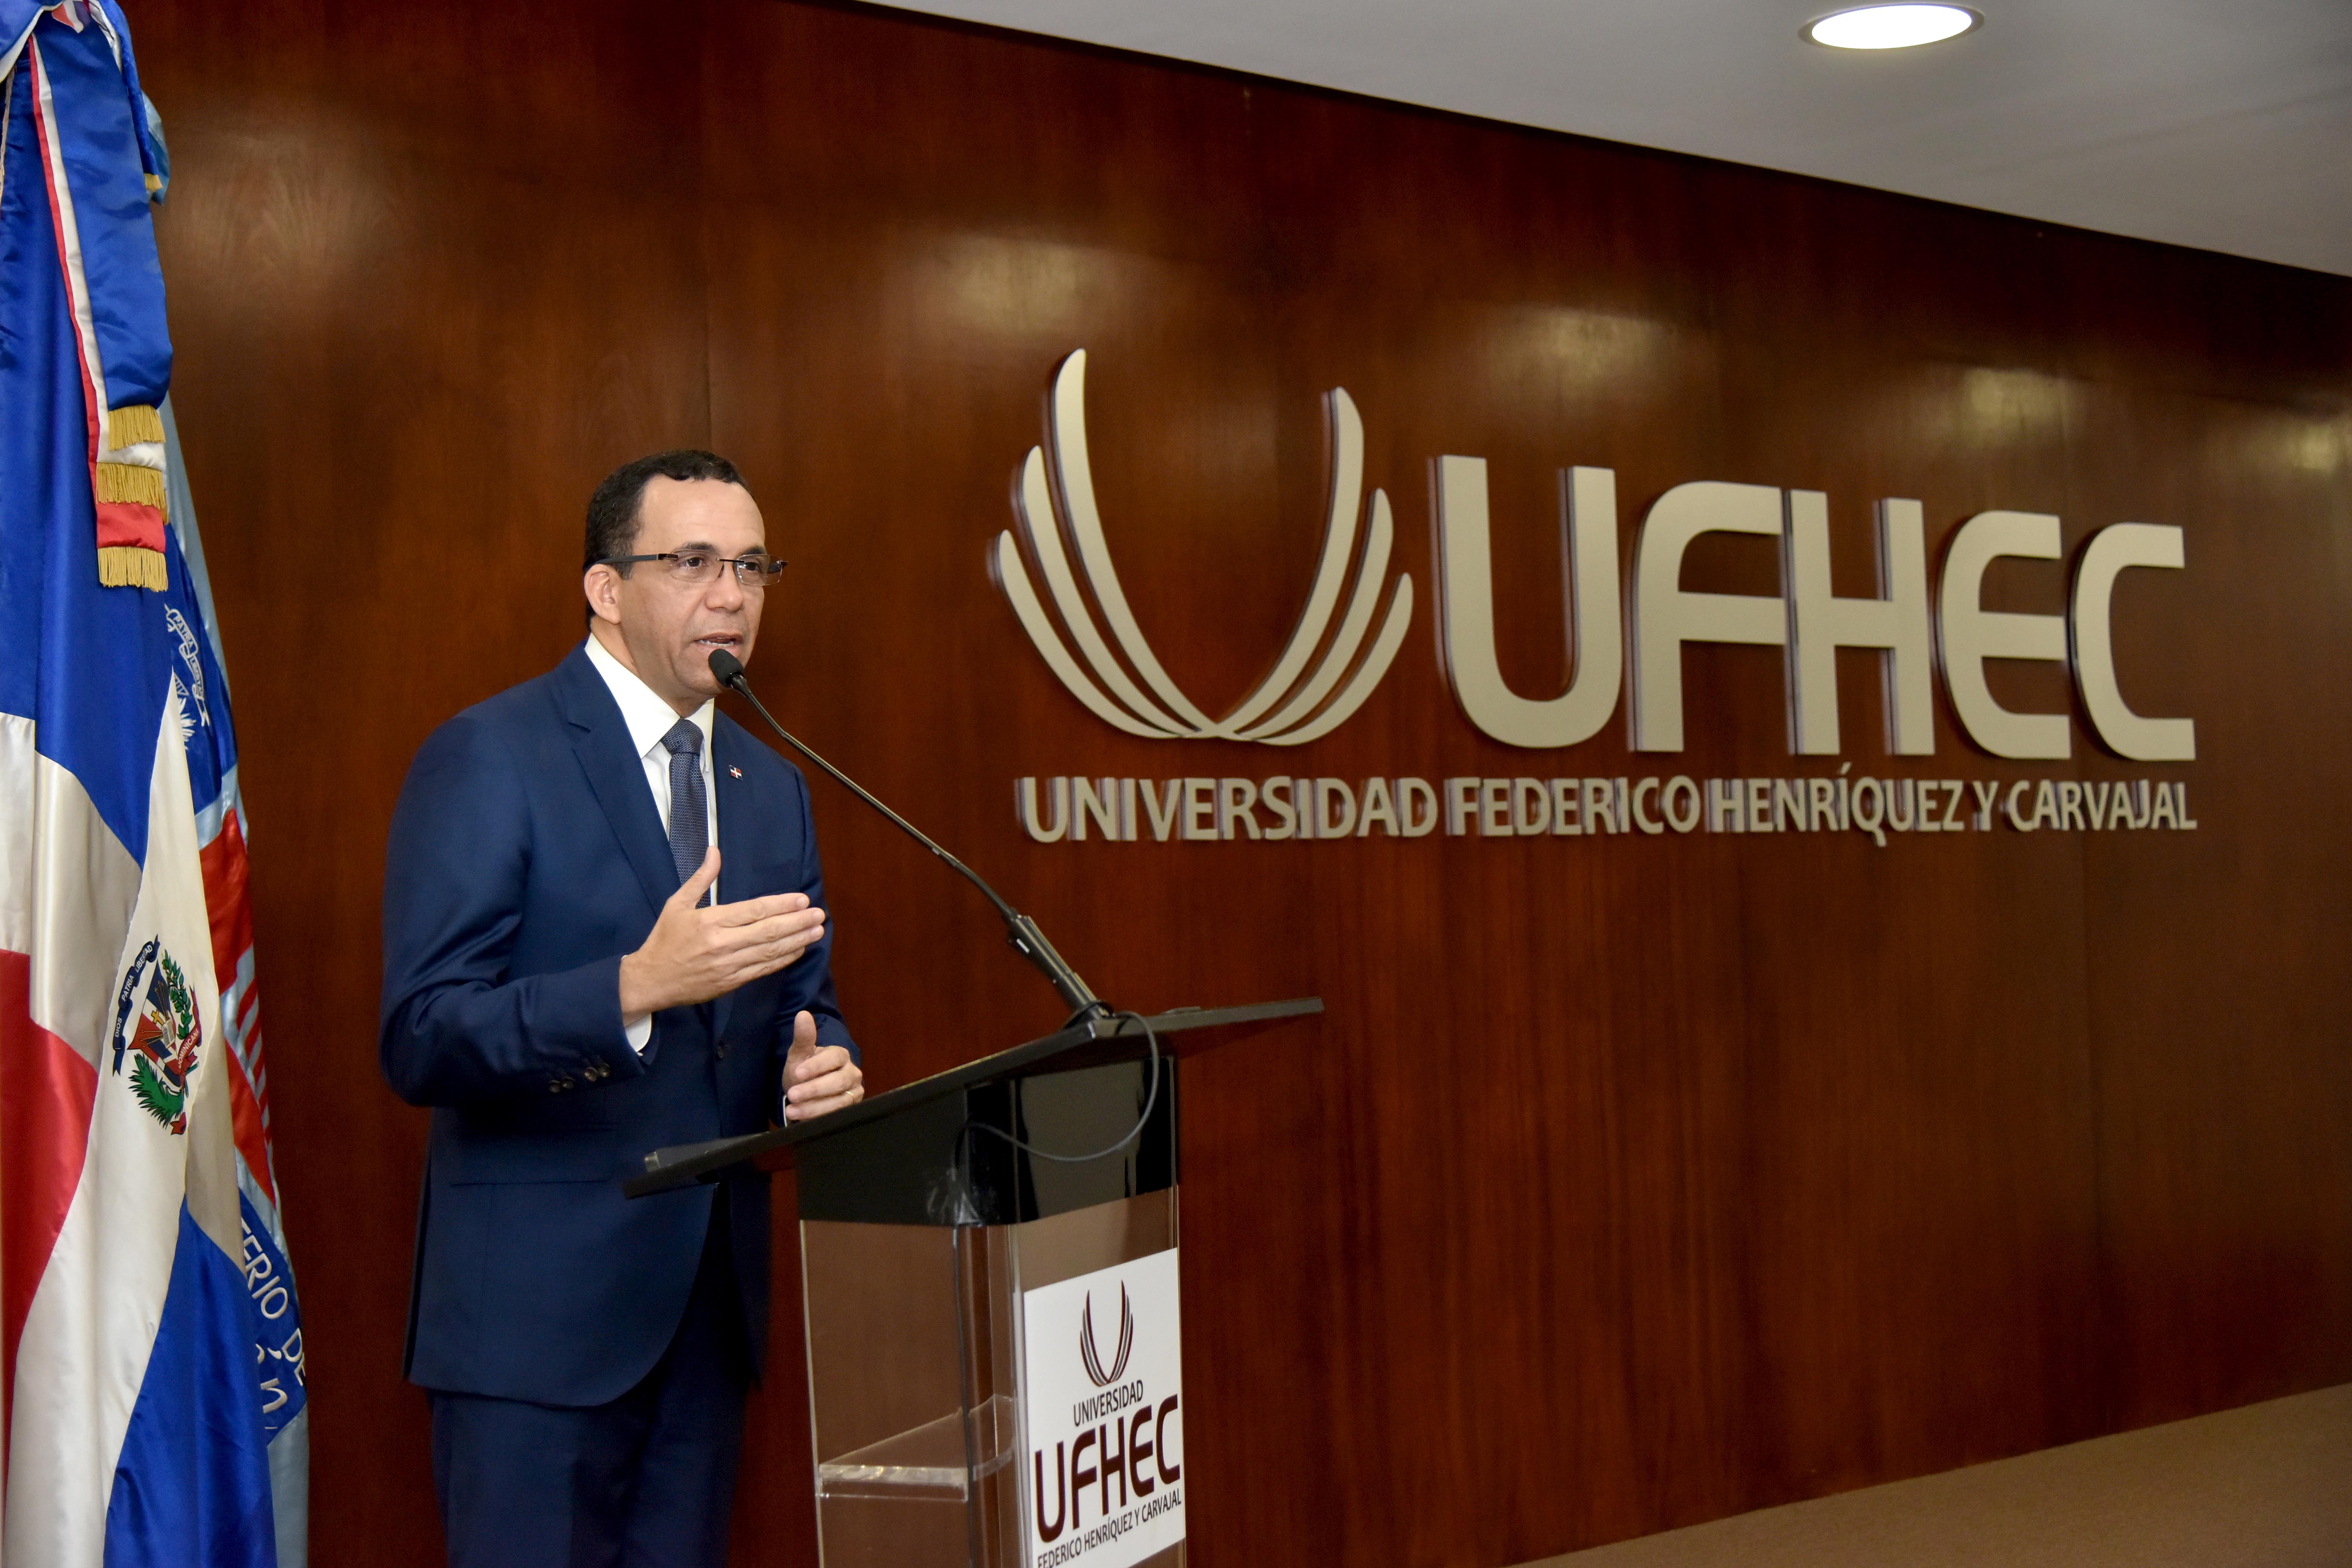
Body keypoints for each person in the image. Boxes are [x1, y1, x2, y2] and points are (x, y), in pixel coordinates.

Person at [379, 450, 865, 1568]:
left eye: (752, 565)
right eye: (693, 562)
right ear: (605, 589)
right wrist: (630, 989)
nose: (733, 594)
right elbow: (421, 1034)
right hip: (534, 1342)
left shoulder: (770, 785)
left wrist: (820, 1065)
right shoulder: (491, 755)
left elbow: (806, 1003)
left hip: (705, 1321)